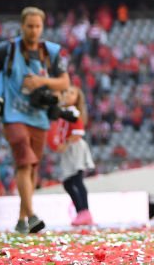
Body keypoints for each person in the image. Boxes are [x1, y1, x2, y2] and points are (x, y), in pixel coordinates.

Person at [0, 7, 70, 233]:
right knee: (24, 162)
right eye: (30, 26)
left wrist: (40, 82)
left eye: (38, 26)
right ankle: (33, 216)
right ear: (22, 26)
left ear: (43, 27)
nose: (34, 30)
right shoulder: (8, 49)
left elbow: (65, 82)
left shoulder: (50, 52)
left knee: (32, 168)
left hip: (38, 116)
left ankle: (21, 221)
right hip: (13, 114)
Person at [47, 86, 95, 226]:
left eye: (72, 93)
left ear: (77, 99)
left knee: (76, 180)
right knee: (69, 182)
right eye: (66, 92)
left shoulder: (73, 113)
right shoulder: (64, 112)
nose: (67, 95)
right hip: (68, 149)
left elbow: (78, 133)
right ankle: (81, 210)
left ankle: (85, 211)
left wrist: (65, 144)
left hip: (75, 147)